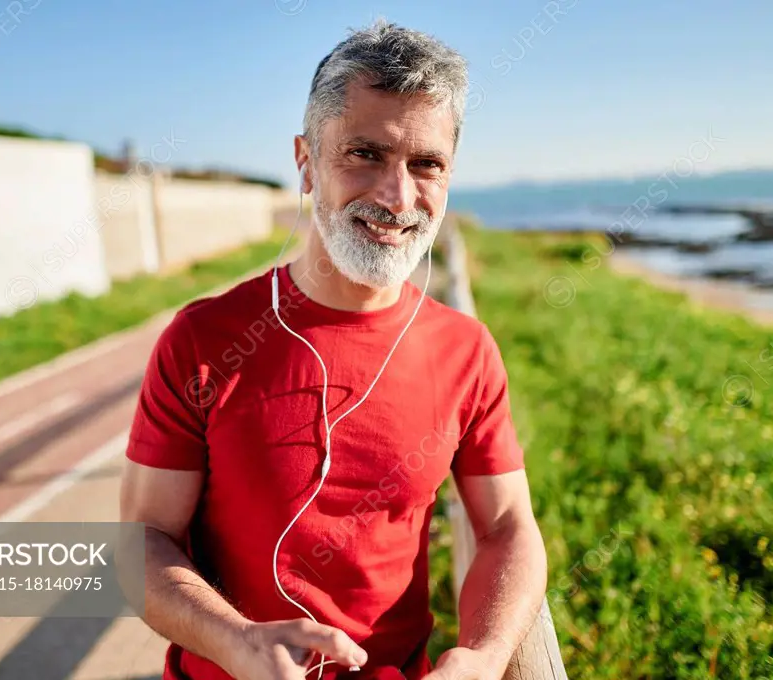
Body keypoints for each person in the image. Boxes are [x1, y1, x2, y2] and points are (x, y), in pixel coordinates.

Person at [120, 19, 547, 680]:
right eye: (365, 154)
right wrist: (236, 640)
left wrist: (484, 657)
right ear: (305, 162)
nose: (396, 197)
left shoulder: (467, 351)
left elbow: (509, 526)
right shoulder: (202, 341)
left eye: (425, 164)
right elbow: (140, 541)